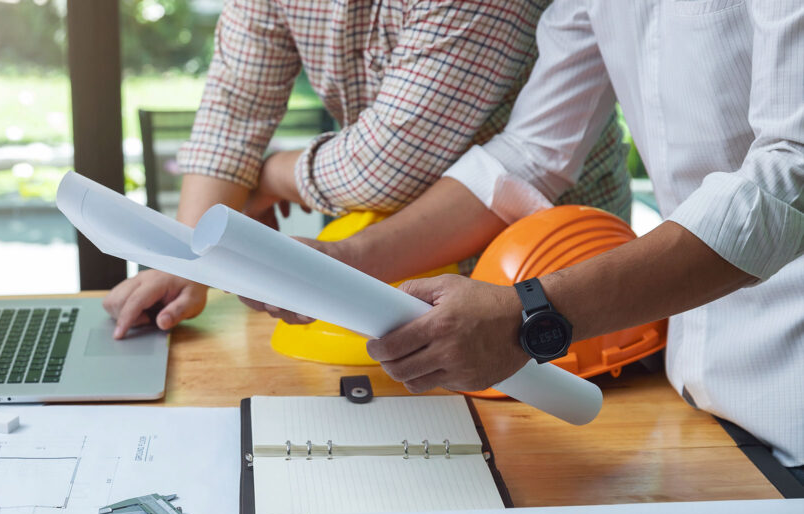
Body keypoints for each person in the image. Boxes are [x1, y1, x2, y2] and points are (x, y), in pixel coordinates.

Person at [327, 1, 802, 465]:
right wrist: (340, 259)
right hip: (701, 405)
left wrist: (527, 318)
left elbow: (789, 174)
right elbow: (531, 154)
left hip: (789, 406)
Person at [104, 0, 631, 338]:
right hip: (389, 262)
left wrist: (270, 176)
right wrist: (190, 259)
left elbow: (383, 165)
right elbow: (233, 108)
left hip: (550, 273)